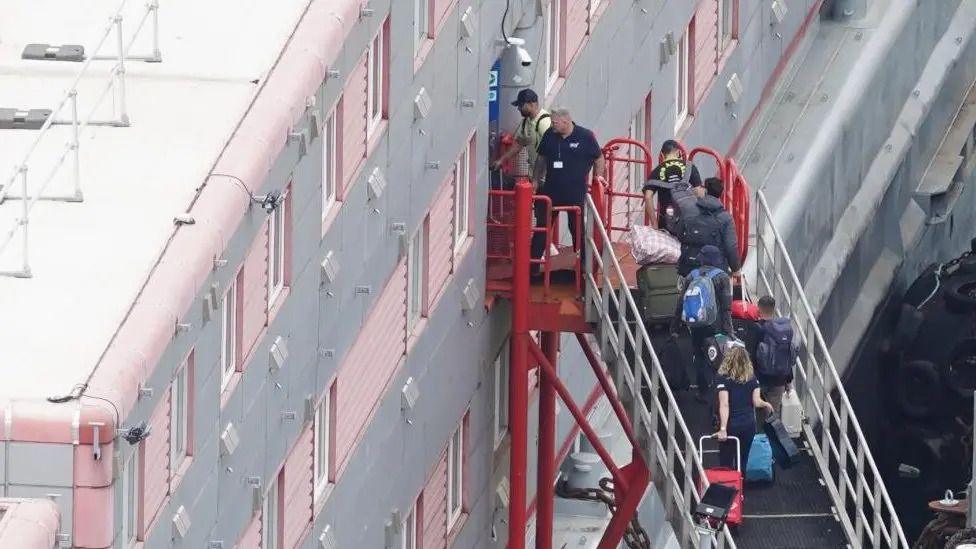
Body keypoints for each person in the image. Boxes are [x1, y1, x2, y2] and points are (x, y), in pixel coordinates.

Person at [531, 107, 606, 260]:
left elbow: (599, 158)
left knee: (577, 229)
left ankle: (585, 266)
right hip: (552, 191)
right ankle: (532, 267)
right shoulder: (550, 135)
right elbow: (541, 158)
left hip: (575, 192)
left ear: (566, 121)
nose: (552, 125)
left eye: (555, 122)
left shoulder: (585, 136)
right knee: (542, 228)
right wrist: (535, 180)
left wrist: (598, 177)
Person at [672, 245, 734, 403]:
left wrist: (675, 327)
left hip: (696, 324)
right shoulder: (722, 277)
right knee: (717, 355)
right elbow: (726, 307)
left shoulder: (691, 276)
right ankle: (719, 391)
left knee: (699, 355)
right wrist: (729, 330)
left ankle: (702, 391)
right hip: (715, 324)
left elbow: (681, 303)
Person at [714, 345, 774, 471]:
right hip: (748, 424)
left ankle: (729, 486)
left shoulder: (722, 379)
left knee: (726, 460)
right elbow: (756, 402)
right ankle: (741, 484)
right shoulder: (752, 378)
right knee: (743, 459)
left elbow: (724, 404)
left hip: (731, 425)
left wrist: (723, 428)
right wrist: (767, 404)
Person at [677, 177, 741, 277]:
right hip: (715, 270)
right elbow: (731, 247)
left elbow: (680, 234)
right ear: (721, 193)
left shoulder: (688, 210)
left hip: (688, 266)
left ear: (705, 190)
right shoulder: (725, 218)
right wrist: (735, 269)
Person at [491, 89, 551, 185]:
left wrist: (537, 179)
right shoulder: (526, 122)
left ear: (532, 104)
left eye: (521, 105)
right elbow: (518, 144)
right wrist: (501, 160)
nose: (518, 108)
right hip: (534, 177)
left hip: (546, 179)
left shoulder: (544, 123)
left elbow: (550, 152)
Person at [753, 295, 796, 425]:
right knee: (772, 414)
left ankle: (755, 439)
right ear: (773, 309)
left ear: (758, 308)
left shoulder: (756, 329)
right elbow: (788, 355)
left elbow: (751, 355)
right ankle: (770, 441)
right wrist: (788, 382)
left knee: (754, 411)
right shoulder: (784, 330)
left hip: (759, 378)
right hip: (779, 380)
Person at [642, 139, 703, 229]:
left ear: (662, 155)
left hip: (667, 220)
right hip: (688, 219)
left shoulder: (656, 171)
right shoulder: (690, 167)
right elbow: (699, 192)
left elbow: (648, 197)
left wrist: (654, 224)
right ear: (678, 152)